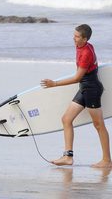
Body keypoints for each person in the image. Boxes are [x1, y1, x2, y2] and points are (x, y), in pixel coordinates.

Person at [41, 24, 112, 168]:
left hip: (91, 90)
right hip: (85, 88)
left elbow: (77, 77)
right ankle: (68, 157)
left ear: (85, 39)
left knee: (99, 125)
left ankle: (107, 160)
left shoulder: (86, 52)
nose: (74, 38)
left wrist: (54, 84)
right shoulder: (83, 45)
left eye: (77, 37)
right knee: (66, 119)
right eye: (74, 35)